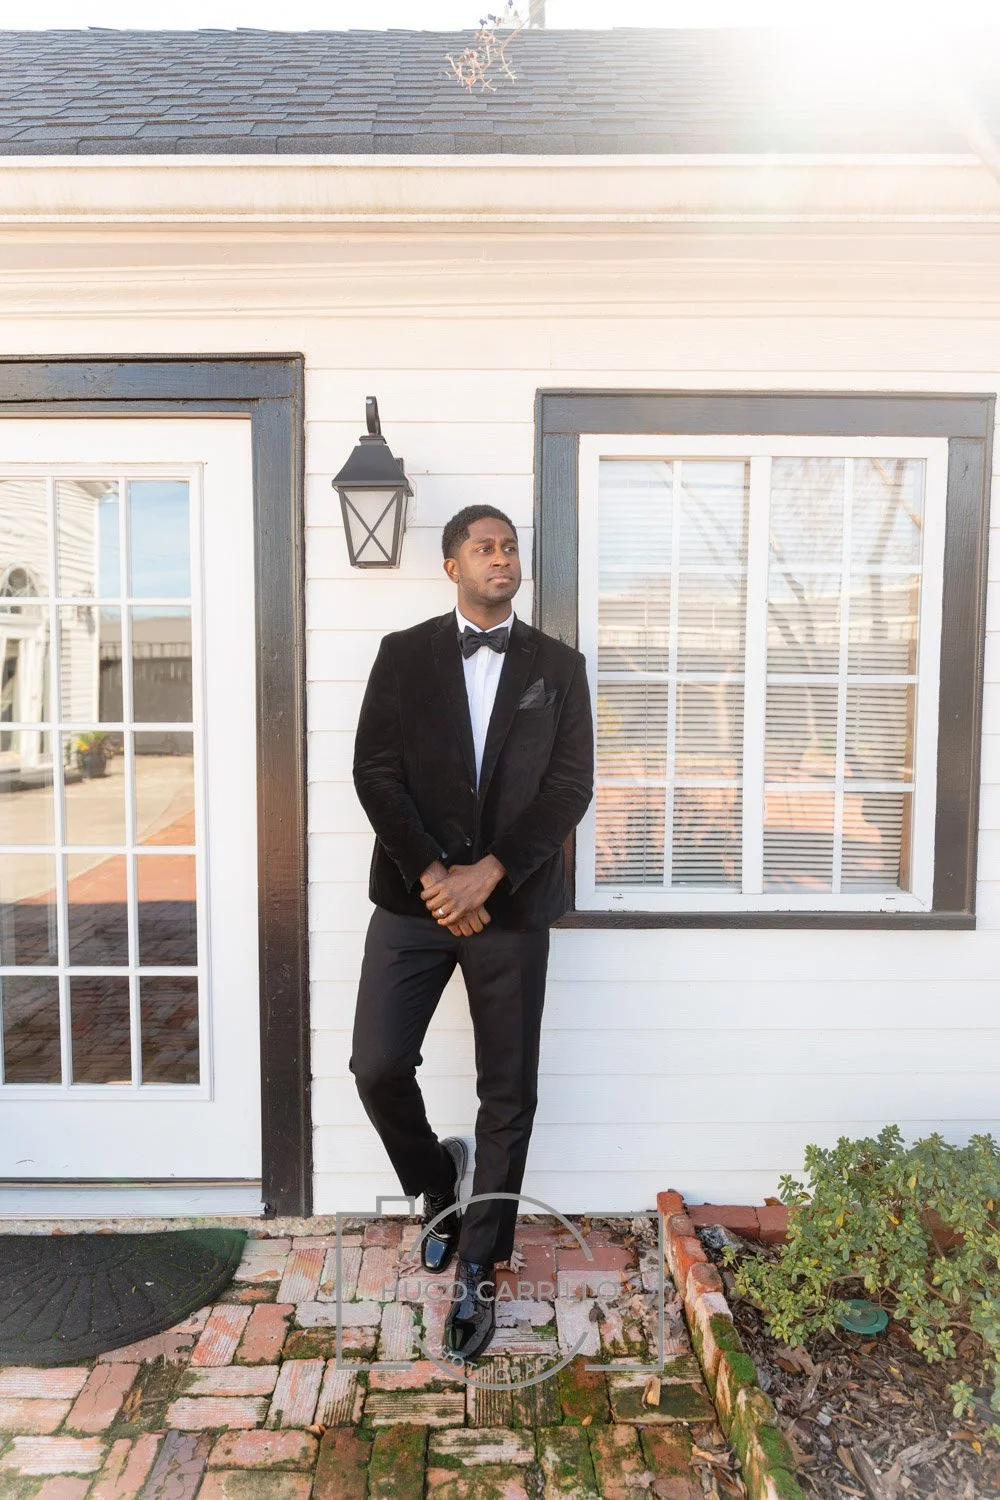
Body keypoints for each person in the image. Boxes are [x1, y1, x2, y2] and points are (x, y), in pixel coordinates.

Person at [349, 503, 595, 1360]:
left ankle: (479, 1272)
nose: (502, 556)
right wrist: (435, 878)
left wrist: (488, 874)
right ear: (452, 565)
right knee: (376, 1065)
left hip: (512, 905)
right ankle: (434, 1181)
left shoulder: (558, 668)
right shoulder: (403, 654)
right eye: (484, 547)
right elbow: (374, 773)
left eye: (510, 545)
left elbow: (569, 788)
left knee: (508, 1092)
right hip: (413, 902)